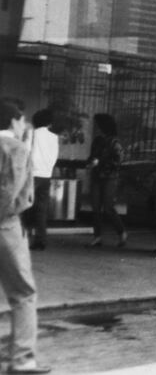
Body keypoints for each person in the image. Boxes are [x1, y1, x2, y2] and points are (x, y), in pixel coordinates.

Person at [0, 98, 51, 373]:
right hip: (5, 227)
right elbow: (10, 191)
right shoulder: (15, 148)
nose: (24, 125)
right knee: (23, 293)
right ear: (13, 121)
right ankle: (22, 359)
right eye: (22, 120)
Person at [86, 113, 126, 248]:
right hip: (97, 176)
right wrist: (90, 162)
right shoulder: (97, 140)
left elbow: (119, 161)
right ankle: (97, 236)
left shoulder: (114, 142)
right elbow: (91, 156)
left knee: (108, 207)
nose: (95, 127)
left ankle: (121, 232)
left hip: (109, 177)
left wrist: (100, 162)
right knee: (96, 207)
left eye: (97, 125)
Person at [24, 110, 57, 251]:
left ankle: (23, 238)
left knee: (25, 206)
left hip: (32, 174)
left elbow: (26, 152)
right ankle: (40, 240)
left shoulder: (32, 134)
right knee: (41, 209)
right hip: (46, 175)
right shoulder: (54, 137)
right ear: (49, 123)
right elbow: (54, 157)